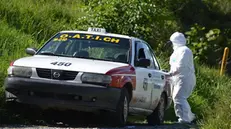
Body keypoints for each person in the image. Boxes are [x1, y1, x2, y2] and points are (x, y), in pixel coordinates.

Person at [165, 32, 196, 124]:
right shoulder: (177, 51)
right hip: (178, 78)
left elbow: (180, 66)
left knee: (179, 97)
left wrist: (171, 73)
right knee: (178, 97)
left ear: (175, 41)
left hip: (185, 78)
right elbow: (174, 65)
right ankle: (190, 117)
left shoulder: (185, 51)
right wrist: (170, 74)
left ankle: (184, 119)